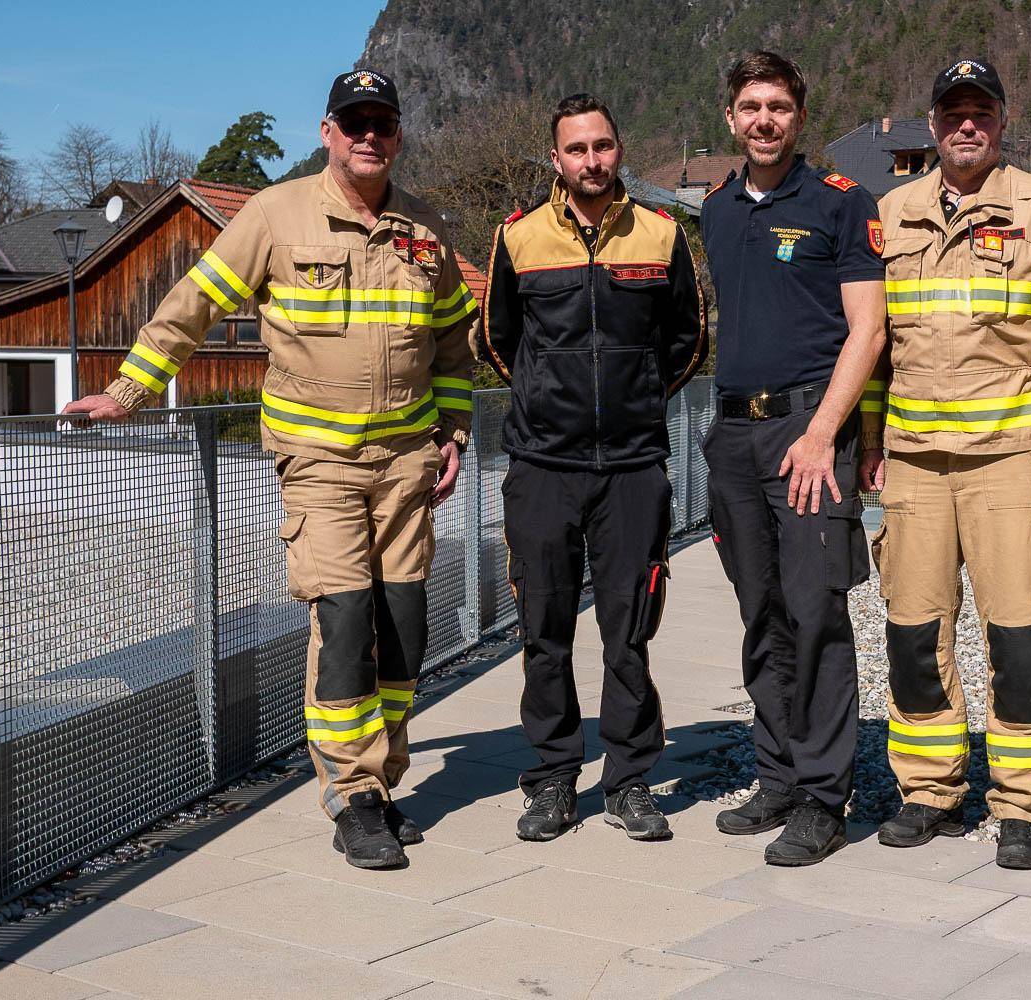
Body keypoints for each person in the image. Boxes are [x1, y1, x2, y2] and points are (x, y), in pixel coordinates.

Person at [63, 69, 476, 870]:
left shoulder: (423, 228)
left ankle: (384, 780)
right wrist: (127, 391)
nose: (368, 135)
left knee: (405, 626)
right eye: (353, 121)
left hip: (404, 463)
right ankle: (350, 795)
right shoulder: (276, 213)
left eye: (381, 122)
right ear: (327, 131)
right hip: (318, 459)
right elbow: (195, 302)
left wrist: (452, 428)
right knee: (346, 621)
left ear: (397, 135)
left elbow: (454, 344)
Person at [862, 58, 1031, 870]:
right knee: (911, 635)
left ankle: (1023, 806)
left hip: (1010, 458)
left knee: (1022, 639)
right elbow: (871, 345)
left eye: (981, 112)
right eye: (952, 112)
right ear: (931, 124)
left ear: (1001, 120)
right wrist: (866, 442)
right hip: (916, 463)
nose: (967, 125)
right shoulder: (890, 212)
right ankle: (928, 792)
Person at [477, 93, 706, 843]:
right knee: (543, 629)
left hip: (633, 466)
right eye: (576, 150)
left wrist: (634, 402)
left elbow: (687, 339)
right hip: (543, 464)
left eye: (602, 147)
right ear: (555, 159)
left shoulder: (663, 234)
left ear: (618, 150)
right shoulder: (516, 238)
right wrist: (551, 402)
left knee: (627, 630)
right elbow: (498, 340)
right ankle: (549, 781)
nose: (591, 161)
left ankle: (629, 780)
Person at [700, 50, 887, 866]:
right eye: (750, 106)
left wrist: (823, 436)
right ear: (731, 119)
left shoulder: (841, 204)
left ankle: (821, 796)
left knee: (814, 614)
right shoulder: (713, 209)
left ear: (799, 117)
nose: (764, 119)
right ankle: (774, 774)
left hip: (808, 431)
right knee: (760, 616)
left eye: (778, 104)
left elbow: (868, 331)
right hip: (733, 436)